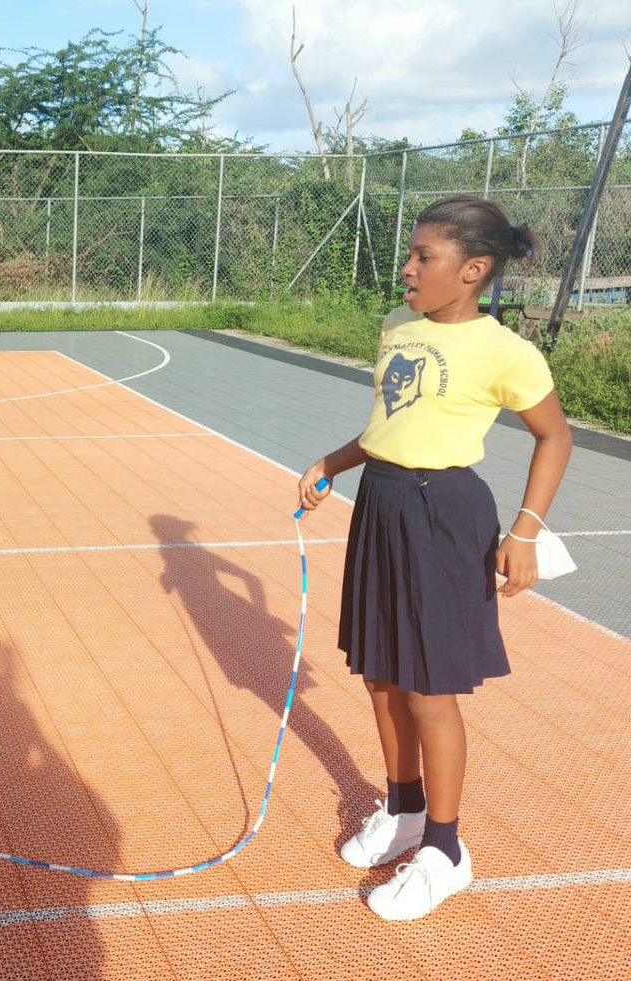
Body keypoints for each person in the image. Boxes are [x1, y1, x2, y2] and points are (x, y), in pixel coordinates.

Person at [296, 195, 572, 921]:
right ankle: (405, 810)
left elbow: (555, 435)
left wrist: (525, 531)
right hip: (381, 503)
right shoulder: (398, 325)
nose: (408, 268)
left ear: (473, 270)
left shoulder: (506, 352)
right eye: (410, 254)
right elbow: (390, 423)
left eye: (425, 257)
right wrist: (333, 462)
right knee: (381, 675)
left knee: (427, 688)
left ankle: (445, 851)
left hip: (444, 513)